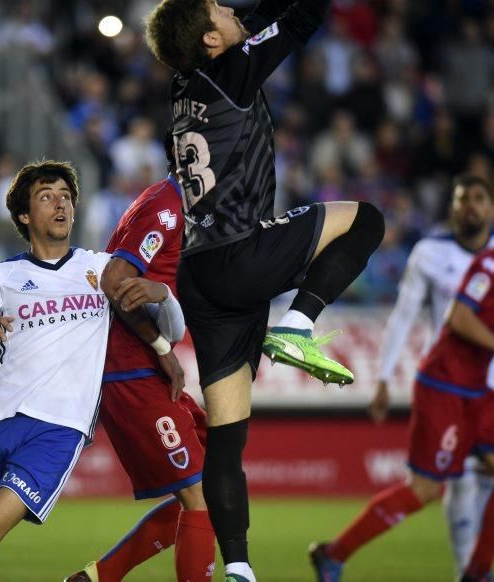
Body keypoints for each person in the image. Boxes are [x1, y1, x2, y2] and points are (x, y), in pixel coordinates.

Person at [145, 2, 385, 580]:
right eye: (220, 10)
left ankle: (240, 570)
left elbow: (256, 14)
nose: (233, 8)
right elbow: (302, 18)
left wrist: (243, 15)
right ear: (211, 38)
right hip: (239, 253)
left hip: (199, 277)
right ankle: (299, 324)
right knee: (367, 220)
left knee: (227, 442)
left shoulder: (186, 82)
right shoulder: (231, 71)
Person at [0, 160, 184, 582]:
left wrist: (164, 295)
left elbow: (172, 331)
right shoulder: (1, 277)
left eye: (66, 197)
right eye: (46, 197)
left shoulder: (101, 268)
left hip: (60, 425)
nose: (60, 205)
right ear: (23, 215)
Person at [311, 188, 494, 582]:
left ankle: (477, 572)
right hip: (444, 387)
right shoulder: (492, 265)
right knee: (426, 489)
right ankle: (333, 553)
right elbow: (459, 319)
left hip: (477, 392)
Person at [369, 174, 494, 576]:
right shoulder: (429, 252)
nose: (470, 207)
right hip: (453, 382)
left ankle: (476, 567)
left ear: (492, 209)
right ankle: (469, 567)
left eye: (478, 199)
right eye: (462, 199)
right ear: (452, 208)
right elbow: (403, 316)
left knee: (493, 478)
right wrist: (382, 376)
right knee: (460, 481)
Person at [66, 174, 215, 582]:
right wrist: (164, 349)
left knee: (218, 487)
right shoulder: (167, 208)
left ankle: (97, 578)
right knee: (199, 496)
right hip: (131, 368)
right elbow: (115, 281)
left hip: (141, 365)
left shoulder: (177, 207)